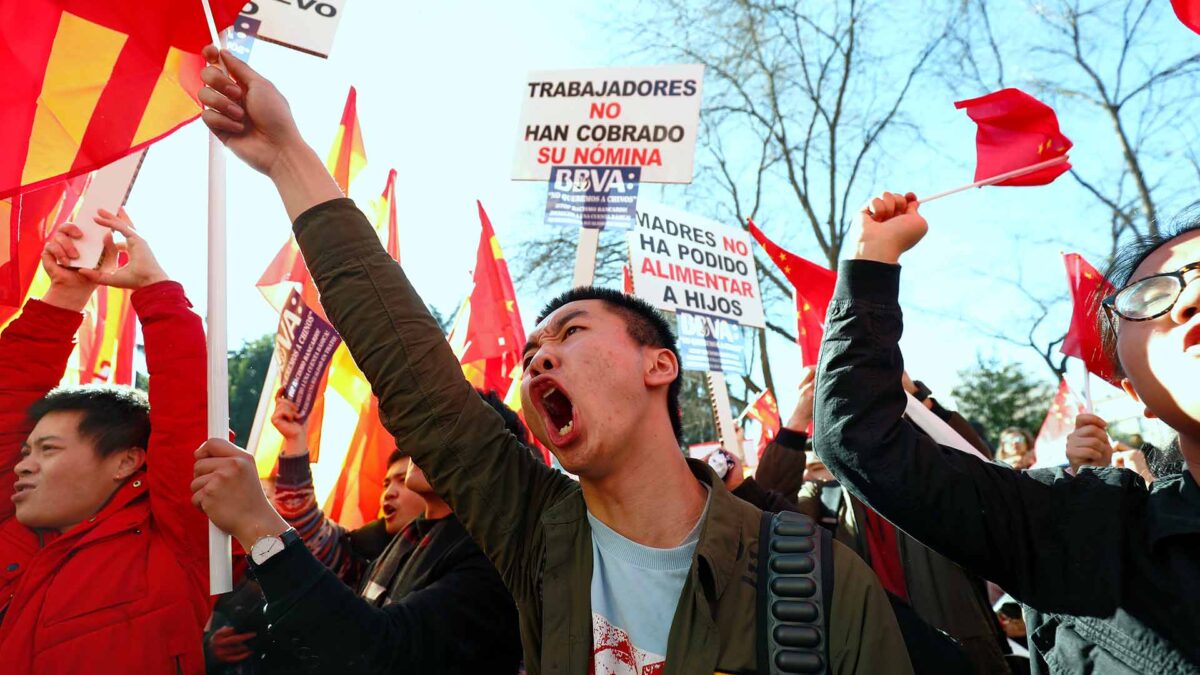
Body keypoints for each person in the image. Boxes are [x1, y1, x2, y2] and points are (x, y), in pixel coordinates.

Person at [191, 47, 911, 674]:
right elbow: (414, 370)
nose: (538, 360)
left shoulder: (810, 575)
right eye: (531, 351)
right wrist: (288, 157)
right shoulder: (536, 534)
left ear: (659, 365)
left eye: (570, 331)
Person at [813, 190, 1200, 671]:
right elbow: (861, 438)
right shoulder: (1080, 533)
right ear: (1136, 393)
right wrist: (872, 258)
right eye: (1154, 296)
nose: (1192, 300)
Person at [0, 210, 209, 672]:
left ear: (126, 461)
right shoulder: (9, 525)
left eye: (49, 449)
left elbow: (190, 419)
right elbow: (7, 398)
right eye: (26, 450)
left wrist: (156, 290)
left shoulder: (174, 544)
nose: (23, 465)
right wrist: (65, 296)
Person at [731, 369, 1012, 674]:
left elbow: (985, 473)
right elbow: (768, 506)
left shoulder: (928, 482)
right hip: (875, 657)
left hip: (965, 656)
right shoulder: (825, 497)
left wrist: (918, 399)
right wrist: (799, 418)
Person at [271, 391, 423, 586]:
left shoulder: (461, 555)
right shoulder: (363, 556)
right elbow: (304, 526)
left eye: (403, 480)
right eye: (386, 484)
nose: (389, 493)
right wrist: (295, 439)